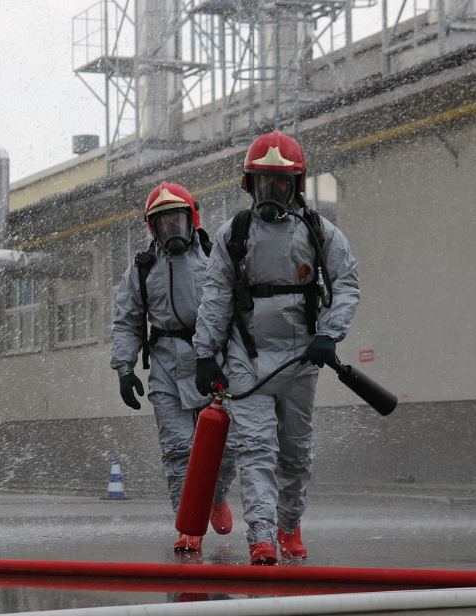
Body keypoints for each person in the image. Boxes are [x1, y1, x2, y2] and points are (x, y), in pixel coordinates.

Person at [193, 130, 360, 566]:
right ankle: (262, 538)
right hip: (246, 361)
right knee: (257, 449)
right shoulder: (234, 235)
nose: (271, 192)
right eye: (262, 182)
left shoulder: (320, 233)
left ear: (295, 185)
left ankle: (289, 525)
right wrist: (206, 354)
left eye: (279, 183)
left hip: (302, 358)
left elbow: (346, 285)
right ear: (250, 185)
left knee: (296, 453)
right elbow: (215, 297)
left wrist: (329, 333)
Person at [111, 181, 237, 554]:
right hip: (166, 364)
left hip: (212, 362)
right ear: (154, 228)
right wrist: (124, 367)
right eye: (163, 224)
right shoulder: (142, 268)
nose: (171, 230)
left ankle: (216, 496)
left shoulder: (216, 258)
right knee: (179, 450)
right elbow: (127, 321)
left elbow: (235, 311)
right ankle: (188, 525)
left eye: (177, 221)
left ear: (191, 218)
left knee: (227, 449)